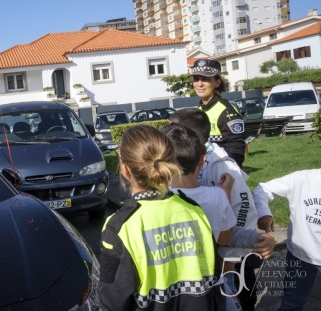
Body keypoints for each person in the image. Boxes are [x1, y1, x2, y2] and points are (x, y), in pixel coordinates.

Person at [98, 125, 224, 310]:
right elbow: (214, 272)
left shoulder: (119, 227)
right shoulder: (194, 210)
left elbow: (112, 301)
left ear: (125, 170)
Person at [170, 108, 275, 310]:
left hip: (227, 259)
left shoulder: (222, 164)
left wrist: (231, 256)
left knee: (239, 297)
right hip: (204, 255)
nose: (167, 130)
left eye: (171, 126)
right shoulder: (182, 159)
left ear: (187, 133)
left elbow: (243, 208)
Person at [253, 169, 321, 311]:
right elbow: (263, 188)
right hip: (300, 255)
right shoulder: (302, 180)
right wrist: (264, 212)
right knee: (291, 305)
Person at [162, 123, 236, 246]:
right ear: (202, 160)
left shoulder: (156, 200)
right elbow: (225, 239)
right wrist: (226, 193)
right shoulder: (218, 196)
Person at [191, 59, 246, 169]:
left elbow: (236, 146)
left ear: (217, 83)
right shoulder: (200, 109)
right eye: (196, 79)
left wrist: (231, 172)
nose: (199, 84)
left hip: (221, 170)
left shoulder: (226, 110)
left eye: (205, 79)